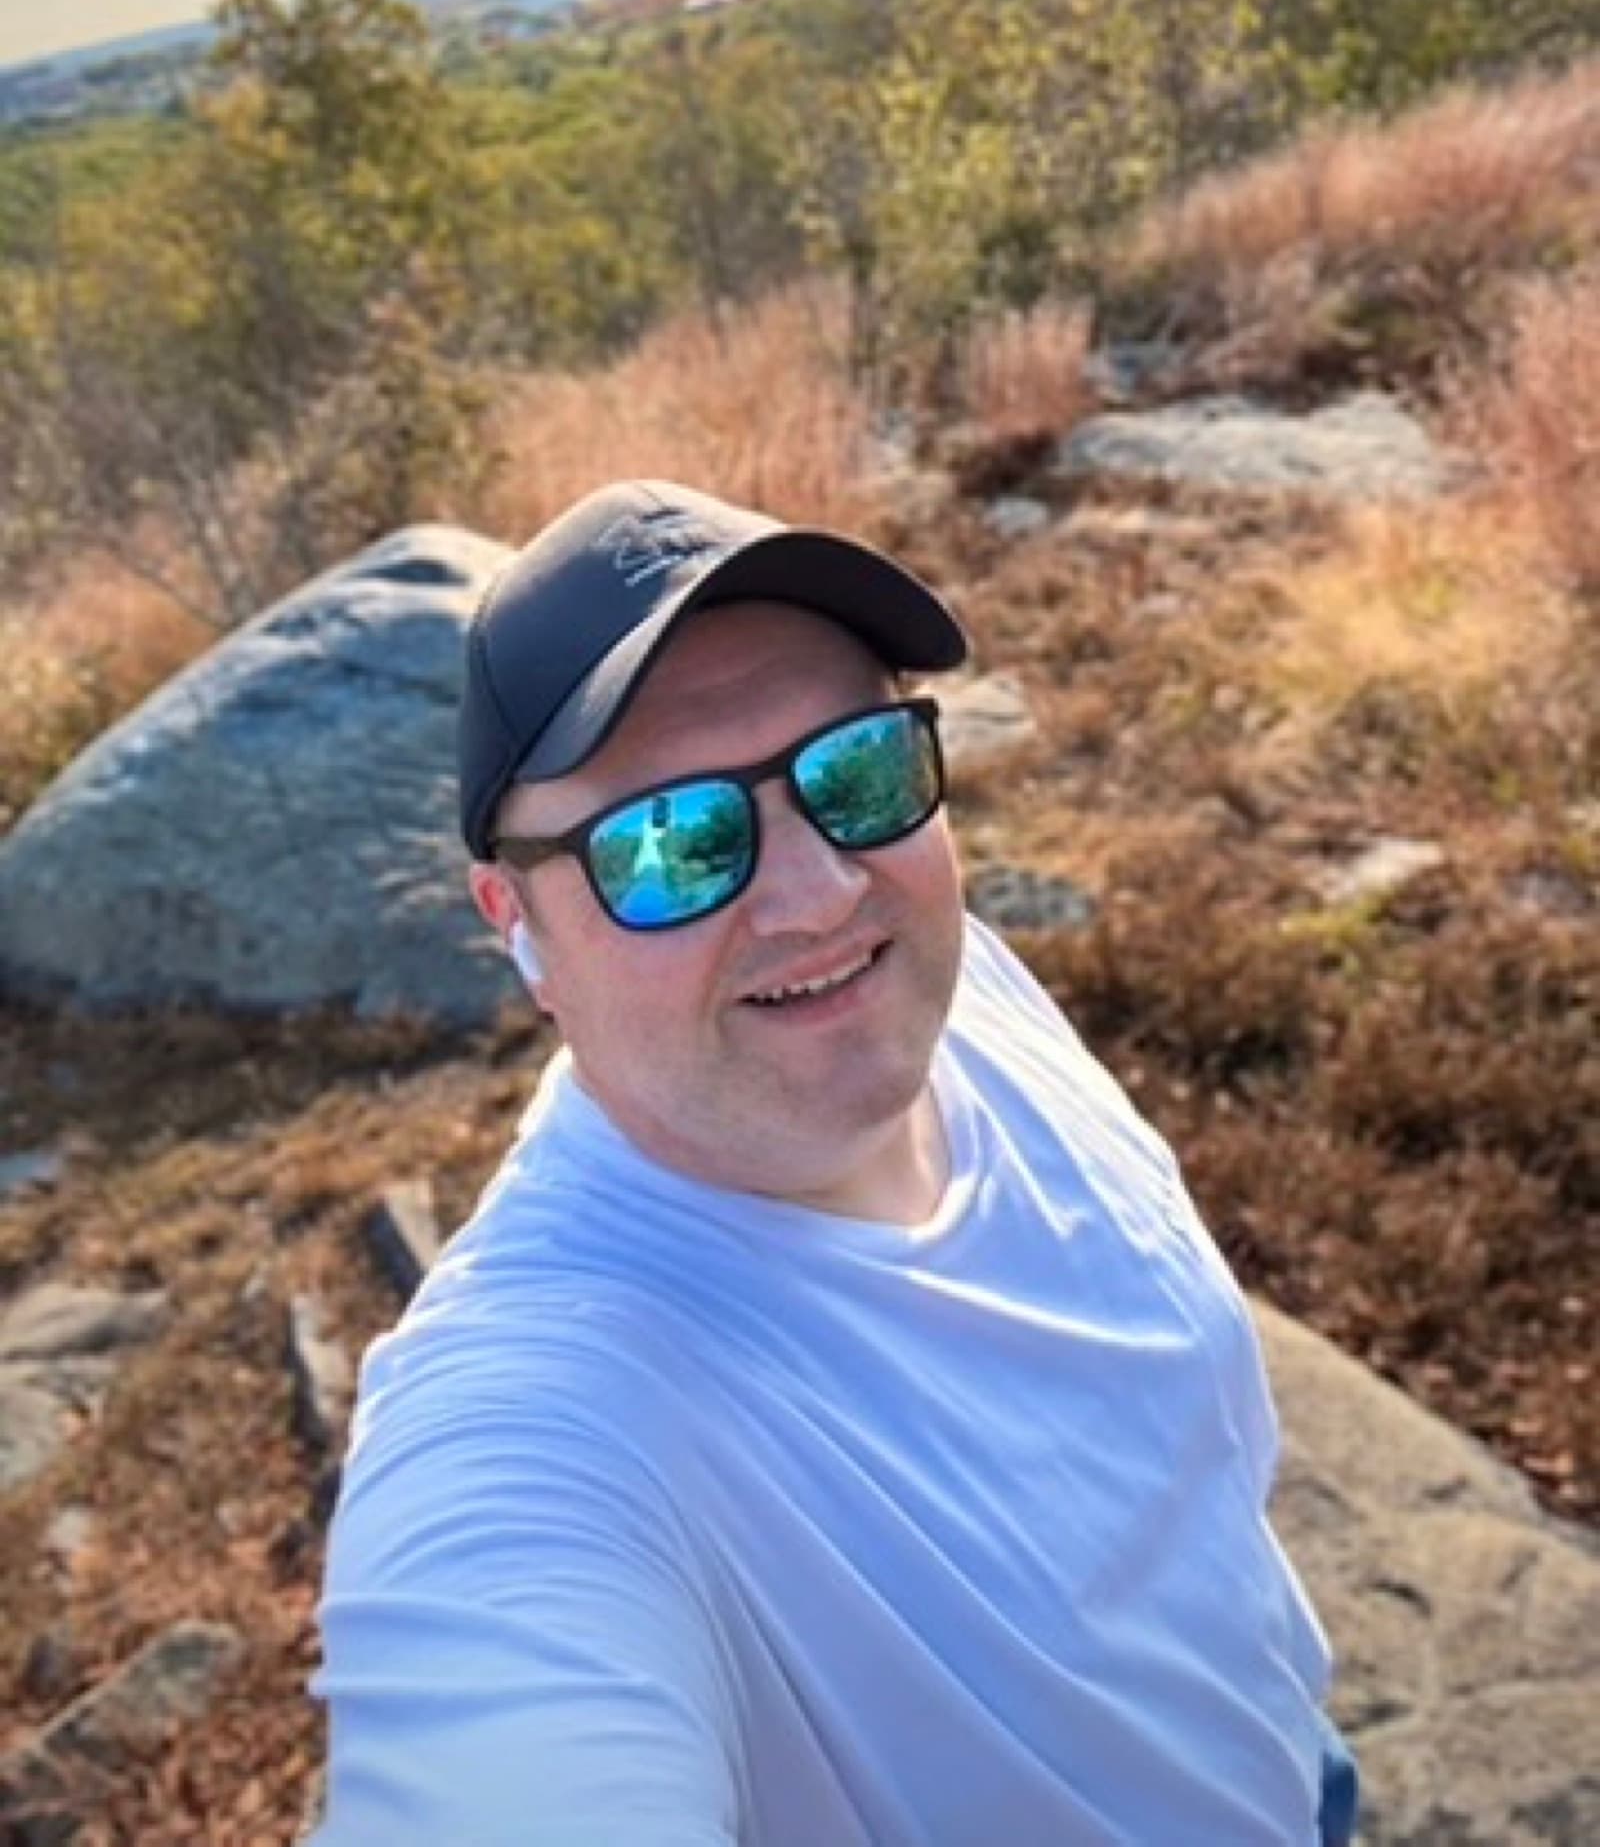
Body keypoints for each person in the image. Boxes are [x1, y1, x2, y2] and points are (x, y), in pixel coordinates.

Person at [312, 478, 1359, 1845]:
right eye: (671, 843)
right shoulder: (544, 1413)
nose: (819, 895)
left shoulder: (950, 984)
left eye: (856, 770)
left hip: (1296, 1760)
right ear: (519, 924)